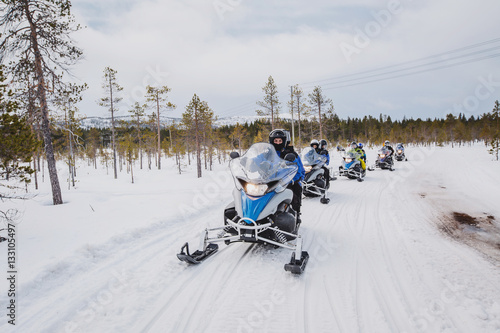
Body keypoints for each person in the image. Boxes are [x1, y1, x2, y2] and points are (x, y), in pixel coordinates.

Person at [269, 129, 305, 221]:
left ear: (284, 141)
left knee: (295, 192)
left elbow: (299, 170)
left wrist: (294, 179)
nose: (277, 143)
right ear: (271, 141)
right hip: (269, 181)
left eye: (280, 141)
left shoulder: (291, 153)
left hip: (287, 181)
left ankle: (296, 215)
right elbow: (256, 161)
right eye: (275, 141)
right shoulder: (267, 154)